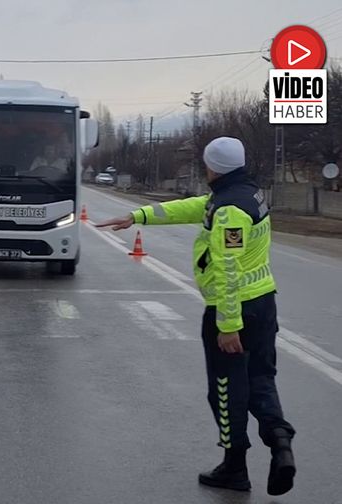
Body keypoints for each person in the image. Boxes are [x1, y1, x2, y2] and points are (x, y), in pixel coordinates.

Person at [96, 137, 296, 496]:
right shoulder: (244, 193)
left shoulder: (229, 211)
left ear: (213, 166)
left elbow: (228, 269)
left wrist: (227, 325)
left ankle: (235, 468)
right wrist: (137, 216)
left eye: (206, 163)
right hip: (264, 304)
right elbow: (192, 208)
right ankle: (281, 444)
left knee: (226, 391)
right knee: (261, 381)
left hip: (235, 311)